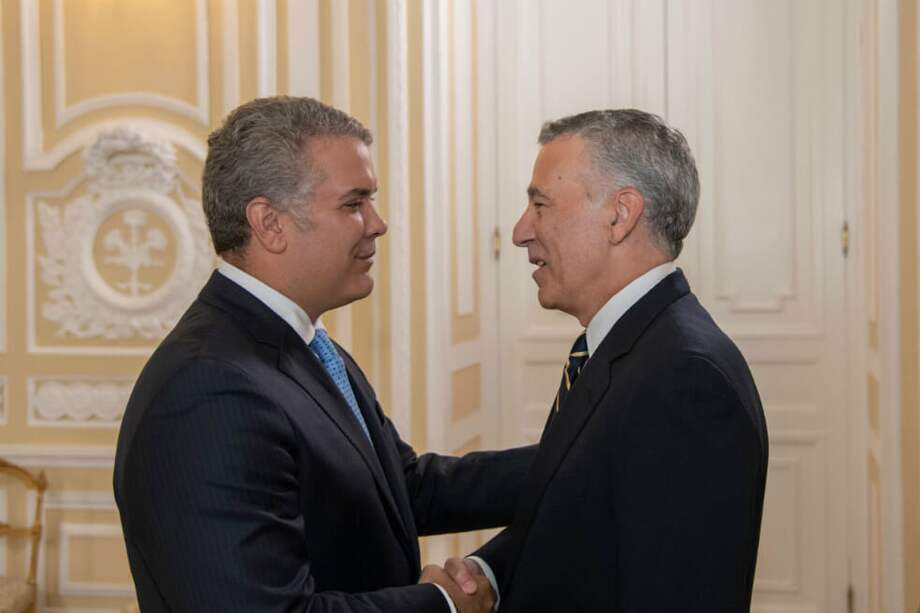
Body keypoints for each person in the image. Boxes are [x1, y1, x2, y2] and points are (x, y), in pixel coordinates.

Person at [113, 96, 534, 612]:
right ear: (270, 224)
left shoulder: (302, 339)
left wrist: (577, 455)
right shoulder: (208, 390)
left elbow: (402, 487)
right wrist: (440, 605)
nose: (378, 223)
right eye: (354, 203)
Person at [444, 109, 769, 611]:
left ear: (620, 215)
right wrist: (489, 574)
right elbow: (577, 516)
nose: (519, 231)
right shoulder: (630, 347)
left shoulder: (684, 380)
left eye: (540, 204)